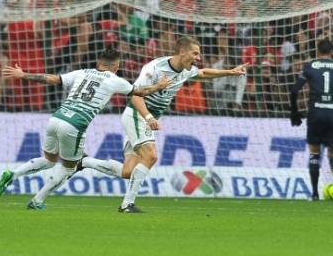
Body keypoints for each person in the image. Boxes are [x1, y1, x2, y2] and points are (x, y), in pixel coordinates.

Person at [78, 36, 248, 213]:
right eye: (195, 53)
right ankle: (127, 204)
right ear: (182, 52)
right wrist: (149, 117)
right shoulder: (154, 68)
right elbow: (135, 96)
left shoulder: (185, 70)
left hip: (145, 118)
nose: (198, 58)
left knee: (128, 171)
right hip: (138, 115)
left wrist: (230, 72)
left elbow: (203, 73)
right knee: (151, 156)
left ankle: (85, 161)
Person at [0, 49, 172, 209]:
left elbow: (53, 79)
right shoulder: (115, 80)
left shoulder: (81, 72)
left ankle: (13, 173)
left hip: (57, 117)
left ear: (97, 64)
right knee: (69, 167)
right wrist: (159, 86)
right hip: (74, 125)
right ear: (116, 67)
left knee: (49, 160)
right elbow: (140, 92)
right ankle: (37, 201)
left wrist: (23, 75)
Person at [289, 38, 333, 201]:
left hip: (316, 112)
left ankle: (314, 193)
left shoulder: (309, 66)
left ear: (317, 52)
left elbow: (294, 90)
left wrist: (295, 113)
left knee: (314, 153)